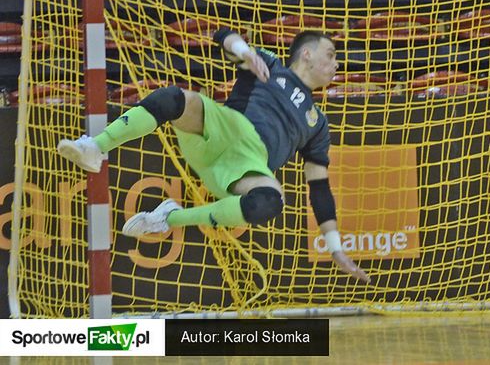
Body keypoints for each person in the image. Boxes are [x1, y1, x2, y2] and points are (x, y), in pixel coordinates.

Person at [57, 28, 370, 284]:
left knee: (271, 200)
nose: (336, 64)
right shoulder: (270, 66)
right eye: (331, 55)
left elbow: (319, 188)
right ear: (307, 53)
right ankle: (95, 148)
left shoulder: (318, 122)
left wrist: (335, 249)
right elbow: (223, 37)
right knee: (173, 98)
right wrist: (246, 52)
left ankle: (168, 217)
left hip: (245, 168)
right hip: (224, 127)